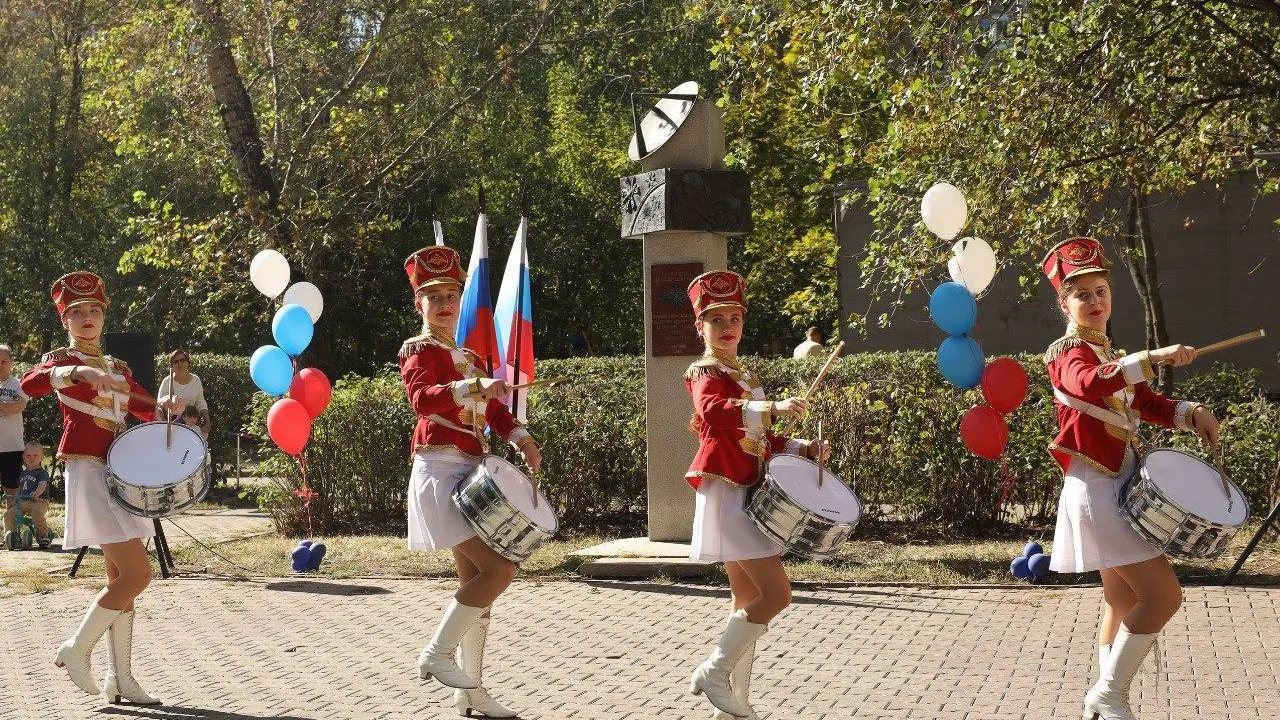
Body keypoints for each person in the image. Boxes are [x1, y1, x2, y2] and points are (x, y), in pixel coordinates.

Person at [1041, 238, 1219, 720]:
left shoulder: (1105, 352)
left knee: (1120, 600)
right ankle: (1108, 694)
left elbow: (1144, 402)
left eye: (1102, 291)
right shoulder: (1066, 353)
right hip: (1098, 491)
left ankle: (1101, 705)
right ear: (1065, 302)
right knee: (1163, 596)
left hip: (1115, 487)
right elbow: (1091, 383)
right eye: (1083, 295)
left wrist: (1191, 412)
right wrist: (1154, 355)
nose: (1096, 302)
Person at [21, 271, 183, 705]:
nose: (88, 317)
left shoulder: (117, 368)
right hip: (89, 472)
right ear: (66, 321)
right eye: (78, 313)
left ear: (103, 316)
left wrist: (166, 406)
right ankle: (75, 649)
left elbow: (144, 406)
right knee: (138, 574)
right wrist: (79, 371)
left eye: (94, 310)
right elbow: (28, 385)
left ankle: (121, 680)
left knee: (120, 577)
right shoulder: (61, 361)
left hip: (121, 475)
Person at [399, 245, 541, 719]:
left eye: (451, 294)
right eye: (432, 295)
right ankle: (436, 653)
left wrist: (520, 435)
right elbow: (423, 399)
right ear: (418, 303)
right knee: (499, 571)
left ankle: (472, 690)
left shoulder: (467, 354)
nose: (444, 303)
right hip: (440, 473)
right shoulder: (418, 351)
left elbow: (495, 407)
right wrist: (467, 387)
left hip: (470, 474)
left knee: (476, 583)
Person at [683, 270, 830, 720]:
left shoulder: (745, 374)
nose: (728, 328)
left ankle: (732, 708)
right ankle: (713, 671)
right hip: (728, 489)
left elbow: (760, 437)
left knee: (746, 604)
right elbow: (714, 412)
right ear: (700, 327)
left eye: (735, 318)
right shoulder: (704, 372)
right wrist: (771, 406)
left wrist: (802, 446)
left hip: (749, 490)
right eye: (716, 319)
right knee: (777, 595)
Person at [4, 441, 52, 548]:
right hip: (24, 501)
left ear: (41, 457)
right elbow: (19, 488)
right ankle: (11, 535)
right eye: (28, 455)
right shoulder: (23, 473)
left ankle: (44, 537)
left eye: (35, 456)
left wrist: (37, 493)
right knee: (9, 514)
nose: (31, 458)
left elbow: (42, 484)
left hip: (39, 501)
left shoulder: (41, 472)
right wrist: (14, 498)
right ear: (24, 457)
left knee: (37, 514)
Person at [157, 349, 210, 439]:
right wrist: (165, 426)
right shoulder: (167, 381)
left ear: (188, 363)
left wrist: (207, 422)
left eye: (182, 360)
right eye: (176, 361)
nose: (179, 363)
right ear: (172, 366)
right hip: (173, 428)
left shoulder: (196, 380)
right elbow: (159, 406)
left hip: (192, 426)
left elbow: (201, 403)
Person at [0, 344, 29, 502]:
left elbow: (20, 405)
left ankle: (10, 524)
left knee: (11, 489)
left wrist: (13, 406)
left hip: (12, 446)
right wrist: (8, 406)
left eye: (4, 361)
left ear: (12, 361)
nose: (0, 365)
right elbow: (14, 406)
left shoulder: (19, 384)